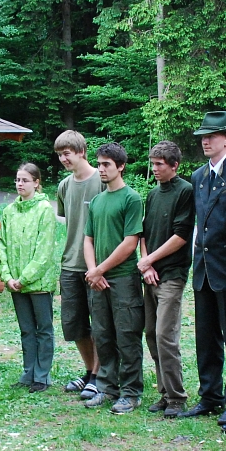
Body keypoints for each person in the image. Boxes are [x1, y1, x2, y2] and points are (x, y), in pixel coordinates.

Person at [180, 111, 226, 424]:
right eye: (203, 137)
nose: (205, 141)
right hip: (203, 268)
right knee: (205, 337)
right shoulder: (198, 176)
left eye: (212, 136)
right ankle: (210, 396)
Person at [83, 143, 145, 413]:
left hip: (123, 279)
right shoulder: (97, 201)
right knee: (103, 334)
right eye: (99, 164)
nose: (101, 169)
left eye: (106, 164)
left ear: (121, 166)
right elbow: (88, 239)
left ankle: (131, 392)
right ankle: (108, 388)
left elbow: (130, 242)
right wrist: (92, 271)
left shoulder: (132, 199)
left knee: (127, 336)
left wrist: (100, 270)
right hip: (98, 281)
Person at [137, 140, 194, 418]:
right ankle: (164, 392)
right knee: (151, 333)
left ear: (174, 165)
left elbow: (181, 235)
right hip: (151, 275)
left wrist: (150, 260)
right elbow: (144, 233)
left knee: (165, 336)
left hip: (172, 274)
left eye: (160, 164)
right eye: (153, 163)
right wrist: (146, 263)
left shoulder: (185, 191)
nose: (155, 169)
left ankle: (177, 397)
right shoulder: (152, 194)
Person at [0, 163, 60, 392]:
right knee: (26, 329)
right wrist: (8, 277)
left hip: (39, 283)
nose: (20, 184)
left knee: (43, 329)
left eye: (25, 180)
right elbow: (3, 246)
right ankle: (28, 373)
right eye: (17, 180)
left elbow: (44, 251)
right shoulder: (9, 211)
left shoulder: (44, 209)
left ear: (36, 182)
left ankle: (41, 376)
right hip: (15, 283)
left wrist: (24, 278)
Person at [54, 131, 104, 398]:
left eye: (67, 153)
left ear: (82, 151)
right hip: (70, 263)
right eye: (60, 154)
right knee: (75, 324)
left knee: (100, 323)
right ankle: (88, 371)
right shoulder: (64, 186)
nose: (63, 159)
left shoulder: (101, 180)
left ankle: (99, 375)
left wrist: (101, 266)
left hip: (97, 265)